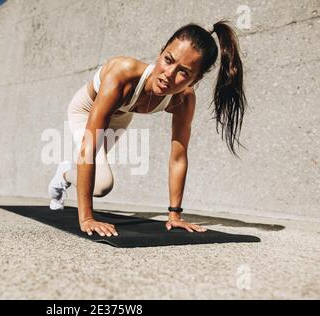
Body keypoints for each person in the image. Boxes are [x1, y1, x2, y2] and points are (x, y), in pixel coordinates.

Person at [48, 20, 247, 237]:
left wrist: (174, 215)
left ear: (195, 79)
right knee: (102, 185)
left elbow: (178, 157)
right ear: (161, 52)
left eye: (183, 72)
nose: (168, 75)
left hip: (121, 116)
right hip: (85, 110)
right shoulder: (122, 74)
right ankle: (64, 174)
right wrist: (87, 218)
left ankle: (67, 172)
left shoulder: (183, 99)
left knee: (98, 181)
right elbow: (89, 147)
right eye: (168, 60)